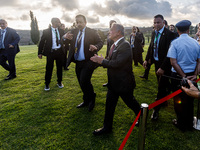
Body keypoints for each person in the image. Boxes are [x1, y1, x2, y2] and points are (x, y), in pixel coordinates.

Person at [90, 23, 140, 135]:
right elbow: (111, 60)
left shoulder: (125, 45)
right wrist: (102, 60)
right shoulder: (114, 45)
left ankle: (142, 116)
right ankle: (107, 128)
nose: (109, 32)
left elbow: (117, 63)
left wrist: (102, 61)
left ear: (118, 32)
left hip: (124, 83)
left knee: (131, 102)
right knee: (109, 106)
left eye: (111, 30)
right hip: (113, 83)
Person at [63, 14, 103, 112]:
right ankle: (86, 100)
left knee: (85, 80)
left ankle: (92, 99)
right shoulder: (73, 32)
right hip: (78, 62)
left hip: (89, 61)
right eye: (77, 22)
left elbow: (100, 42)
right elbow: (63, 41)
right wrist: (64, 37)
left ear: (85, 22)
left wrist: (96, 47)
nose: (79, 24)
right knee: (81, 82)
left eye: (80, 22)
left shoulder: (92, 32)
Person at [167, 20, 200, 131]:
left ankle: (181, 123)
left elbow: (173, 62)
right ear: (188, 30)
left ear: (177, 30)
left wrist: (183, 76)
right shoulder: (195, 43)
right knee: (190, 100)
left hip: (178, 75)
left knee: (178, 100)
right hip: (192, 75)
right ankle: (189, 123)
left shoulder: (175, 43)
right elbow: (199, 61)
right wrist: (195, 74)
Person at [143, 14, 176, 120]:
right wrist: (146, 60)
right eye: (154, 23)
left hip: (165, 65)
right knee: (162, 84)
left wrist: (163, 67)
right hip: (156, 63)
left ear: (163, 23)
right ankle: (164, 99)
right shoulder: (154, 33)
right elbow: (151, 47)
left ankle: (156, 111)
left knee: (161, 87)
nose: (156, 24)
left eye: (158, 22)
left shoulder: (170, 34)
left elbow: (170, 54)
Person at [38, 18, 65, 91]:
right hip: (51, 52)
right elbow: (42, 42)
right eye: (58, 22)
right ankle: (47, 84)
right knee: (49, 68)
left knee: (60, 68)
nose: (59, 23)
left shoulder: (62, 31)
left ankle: (59, 82)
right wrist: (40, 52)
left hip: (59, 52)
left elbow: (64, 40)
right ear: (53, 22)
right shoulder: (46, 31)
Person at [103, 20, 116, 87]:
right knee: (109, 69)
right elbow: (108, 45)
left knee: (114, 68)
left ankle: (114, 82)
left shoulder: (117, 33)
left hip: (115, 53)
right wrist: (107, 54)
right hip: (109, 53)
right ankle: (109, 82)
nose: (111, 25)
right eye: (110, 24)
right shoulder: (109, 34)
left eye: (113, 24)